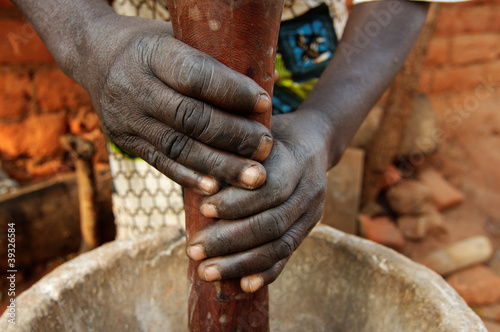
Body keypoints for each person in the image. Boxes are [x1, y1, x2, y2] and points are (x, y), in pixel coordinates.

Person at [12, 0, 444, 293]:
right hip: (142, 76)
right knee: (164, 272)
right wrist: (89, 38)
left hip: (307, 81)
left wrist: (326, 126)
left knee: (292, 249)